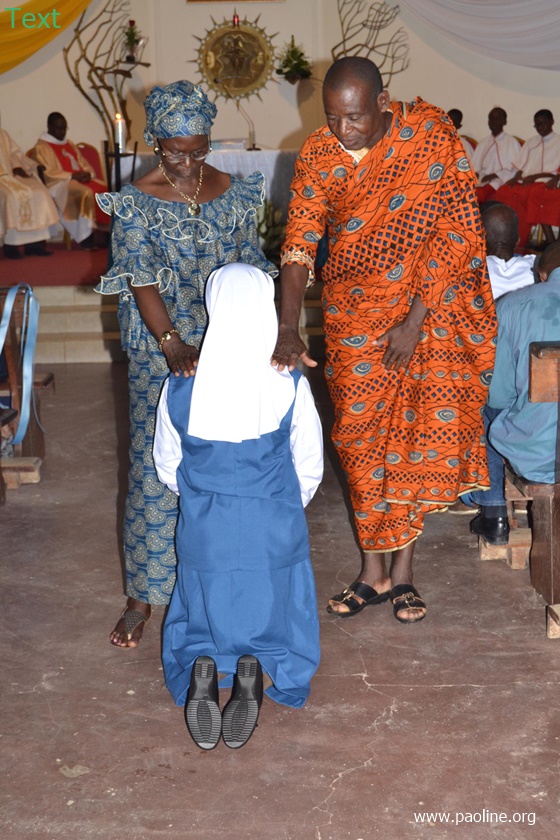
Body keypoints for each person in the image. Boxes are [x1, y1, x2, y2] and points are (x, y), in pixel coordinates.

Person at [272, 56, 497, 623]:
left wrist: (415, 321)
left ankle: (403, 576)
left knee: (413, 439)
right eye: (332, 117)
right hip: (352, 317)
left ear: (381, 102)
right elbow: (299, 242)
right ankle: (371, 572)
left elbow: (457, 231)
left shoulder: (430, 136)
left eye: (354, 117)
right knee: (358, 440)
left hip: (423, 311)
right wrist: (287, 325)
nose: (342, 129)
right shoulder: (319, 154)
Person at [95, 81, 277, 649]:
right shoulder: (136, 201)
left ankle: (216, 586)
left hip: (226, 346)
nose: (189, 162)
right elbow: (140, 277)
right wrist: (173, 343)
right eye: (176, 152)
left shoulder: (233, 192)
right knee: (153, 469)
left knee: (222, 466)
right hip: (161, 350)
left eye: (199, 150)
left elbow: (250, 267)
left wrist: (256, 336)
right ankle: (142, 596)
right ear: (155, 142)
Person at [153, 263, 323, 750]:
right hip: (273, 522)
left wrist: (203, 500)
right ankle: (257, 665)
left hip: (205, 526)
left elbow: (167, 464)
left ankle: (204, 661)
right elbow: (309, 462)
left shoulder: (182, 382)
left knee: (203, 590)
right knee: (274, 589)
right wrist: (284, 504)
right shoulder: (287, 380)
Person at [452, 204, 536, 538]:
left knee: (477, 414)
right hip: (535, 384)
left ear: (479, 237)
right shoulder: (536, 268)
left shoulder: (467, 272)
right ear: (518, 236)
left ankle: (492, 510)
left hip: (488, 382)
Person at [486, 240, 560, 486]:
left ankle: (492, 502)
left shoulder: (511, 306)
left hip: (540, 460)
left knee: (481, 405)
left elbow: (499, 397)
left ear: (542, 275)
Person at [31, 112, 109, 249]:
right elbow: (48, 173)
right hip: (57, 184)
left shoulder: (69, 144)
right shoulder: (41, 147)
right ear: (49, 127)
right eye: (58, 128)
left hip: (75, 179)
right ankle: (87, 238)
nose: (62, 132)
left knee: (105, 190)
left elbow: (83, 163)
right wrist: (71, 176)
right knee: (84, 193)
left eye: (64, 128)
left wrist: (87, 174)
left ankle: (105, 235)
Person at [493, 110, 560, 248]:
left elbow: (555, 173)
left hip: (545, 181)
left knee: (531, 195)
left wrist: (535, 177)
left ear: (552, 122)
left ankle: (549, 242)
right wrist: (515, 178)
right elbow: (521, 165)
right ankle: (507, 237)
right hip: (527, 181)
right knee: (504, 191)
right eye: (537, 125)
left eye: (543, 123)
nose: (540, 127)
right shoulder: (531, 141)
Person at [0, 127, 58, 258]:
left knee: (39, 192)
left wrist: (17, 166)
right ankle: (11, 247)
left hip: (10, 175)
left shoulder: (2, 134)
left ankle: (35, 245)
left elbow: (14, 153)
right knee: (11, 196)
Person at [471, 108, 521, 205]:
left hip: (500, 181)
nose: (493, 121)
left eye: (497, 118)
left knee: (476, 194)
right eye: (491, 118)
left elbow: (517, 169)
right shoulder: (483, 143)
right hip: (482, 180)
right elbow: (474, 167)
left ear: (504, 121)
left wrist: (495, 175)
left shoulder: (511, 142)